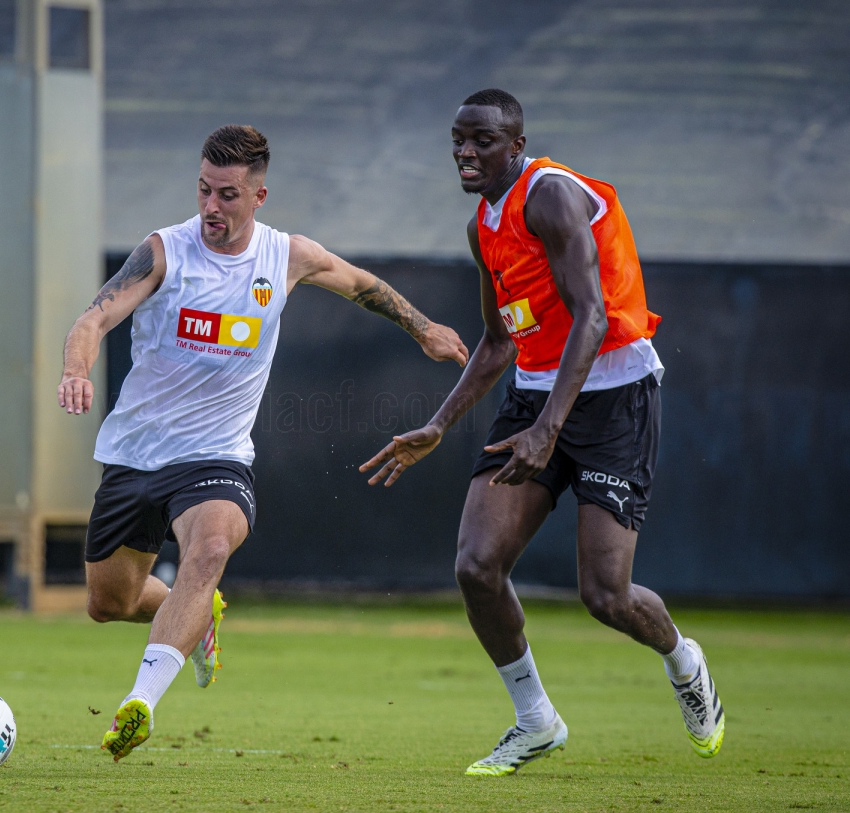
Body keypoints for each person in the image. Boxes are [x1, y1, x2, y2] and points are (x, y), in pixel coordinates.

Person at [59, 124, 469, 762]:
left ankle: (139, 703)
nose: (210, 208)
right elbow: (96, 316)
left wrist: (422, 330)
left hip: (216, 457)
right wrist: (75, 370)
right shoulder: (164, 251)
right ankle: (201, 619)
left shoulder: (287, 256)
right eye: (203, 191)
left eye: (226, 195)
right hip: (135, 455)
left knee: (212, 545)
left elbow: (360, 283)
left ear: (258, 197)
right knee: (109, 603)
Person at [360, 89, 724, 776]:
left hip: (613, 395)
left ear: (516, 145)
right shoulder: (482, 225)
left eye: (483, 140)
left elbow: (590, 316)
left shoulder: (549, 196)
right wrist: (439, 424)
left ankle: (685, 659)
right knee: (475, 564)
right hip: (536, 393)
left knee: (606, 595)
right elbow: (499, 343)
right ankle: (536, 720)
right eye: (458, 139)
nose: (466, 151)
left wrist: (548, 431)